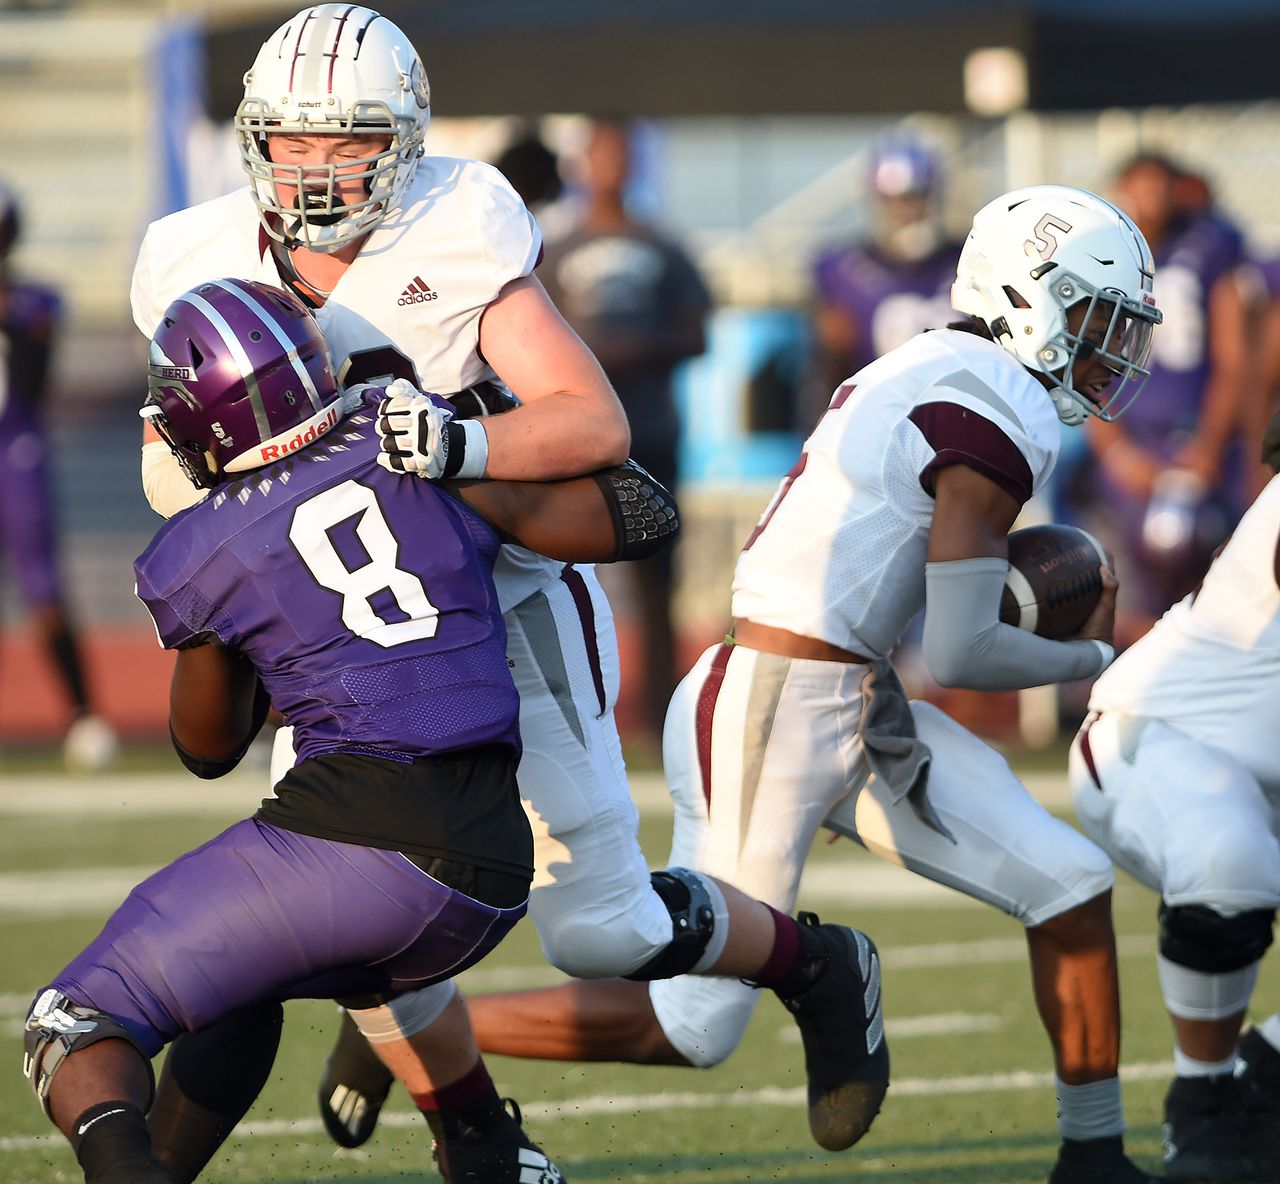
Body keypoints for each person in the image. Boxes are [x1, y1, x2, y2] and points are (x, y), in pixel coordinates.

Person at [131, 5, 888, 1173]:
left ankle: (813, 962)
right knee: (348, 893)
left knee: (602, 925)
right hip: (339, 617)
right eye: (290, 142)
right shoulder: (190, 251)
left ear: (406, 140)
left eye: (348, 142)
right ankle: (478, 1135)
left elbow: (593, 421)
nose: (316, 170)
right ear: (250, 141)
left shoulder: (458, 219)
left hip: (504, 594)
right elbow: (165, 444)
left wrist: (456, 446)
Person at [372, 184, 1163, 1184]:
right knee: (696, 1020)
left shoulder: (942, 364)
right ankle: (421, 1029)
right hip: (767, 706)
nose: (1108, 353)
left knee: (1071, 884)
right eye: (1094, 322)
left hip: (850, 698)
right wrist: (1095, 657)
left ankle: (1093, 1156)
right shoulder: (992, 404)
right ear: (1025, 298)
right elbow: (964, 654)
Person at [23, 274, 671, 1183]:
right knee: (233, 994)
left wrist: (243, 618)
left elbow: (205, 751)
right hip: (487, 865)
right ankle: (489, 1153)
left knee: (75, 1021)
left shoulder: (196, 549)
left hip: (357, 845)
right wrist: (470, 445)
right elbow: (644, 515)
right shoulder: (406, 447)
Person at [1066, 417, 1280, 1183]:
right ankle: (1206, 1100)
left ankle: (1269, 1067)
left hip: (1261, 783)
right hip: (1159, 748)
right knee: (1229, 860)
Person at [539, 118, 713, 746]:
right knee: (562, 577)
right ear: (582, 162)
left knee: (656, 576)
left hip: (651, 433)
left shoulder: (664, 248)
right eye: (599, 153)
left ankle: (664, 717)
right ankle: (573, 714)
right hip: (573, 441)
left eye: (620, 154)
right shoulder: (553, 252)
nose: (609, 165)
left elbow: (698, 333)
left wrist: (626, 349)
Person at [1077, 153, 1251, 649]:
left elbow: (1233, 357)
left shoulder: (1209, 246)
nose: (1149, 200)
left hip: (1198, 441)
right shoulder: (1094, 258)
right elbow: (1078, 365)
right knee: (1130, 593)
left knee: (1216, 586)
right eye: (1139, 187)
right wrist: (1116, 452)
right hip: (1130, 441)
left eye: (1159, 186)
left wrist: (1210, 448)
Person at [0, 182, 118, 771]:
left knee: (43, 587)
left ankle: (82, 714)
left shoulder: (33, 303)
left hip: (13, 448)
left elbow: (34, 378)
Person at [809, 134, 964, 426]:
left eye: (917, 197)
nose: (907, 212)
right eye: (895, 202)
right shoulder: (840, 269)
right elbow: (826, 368)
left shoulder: (968, 259)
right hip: (874, 423)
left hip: (960, 419)